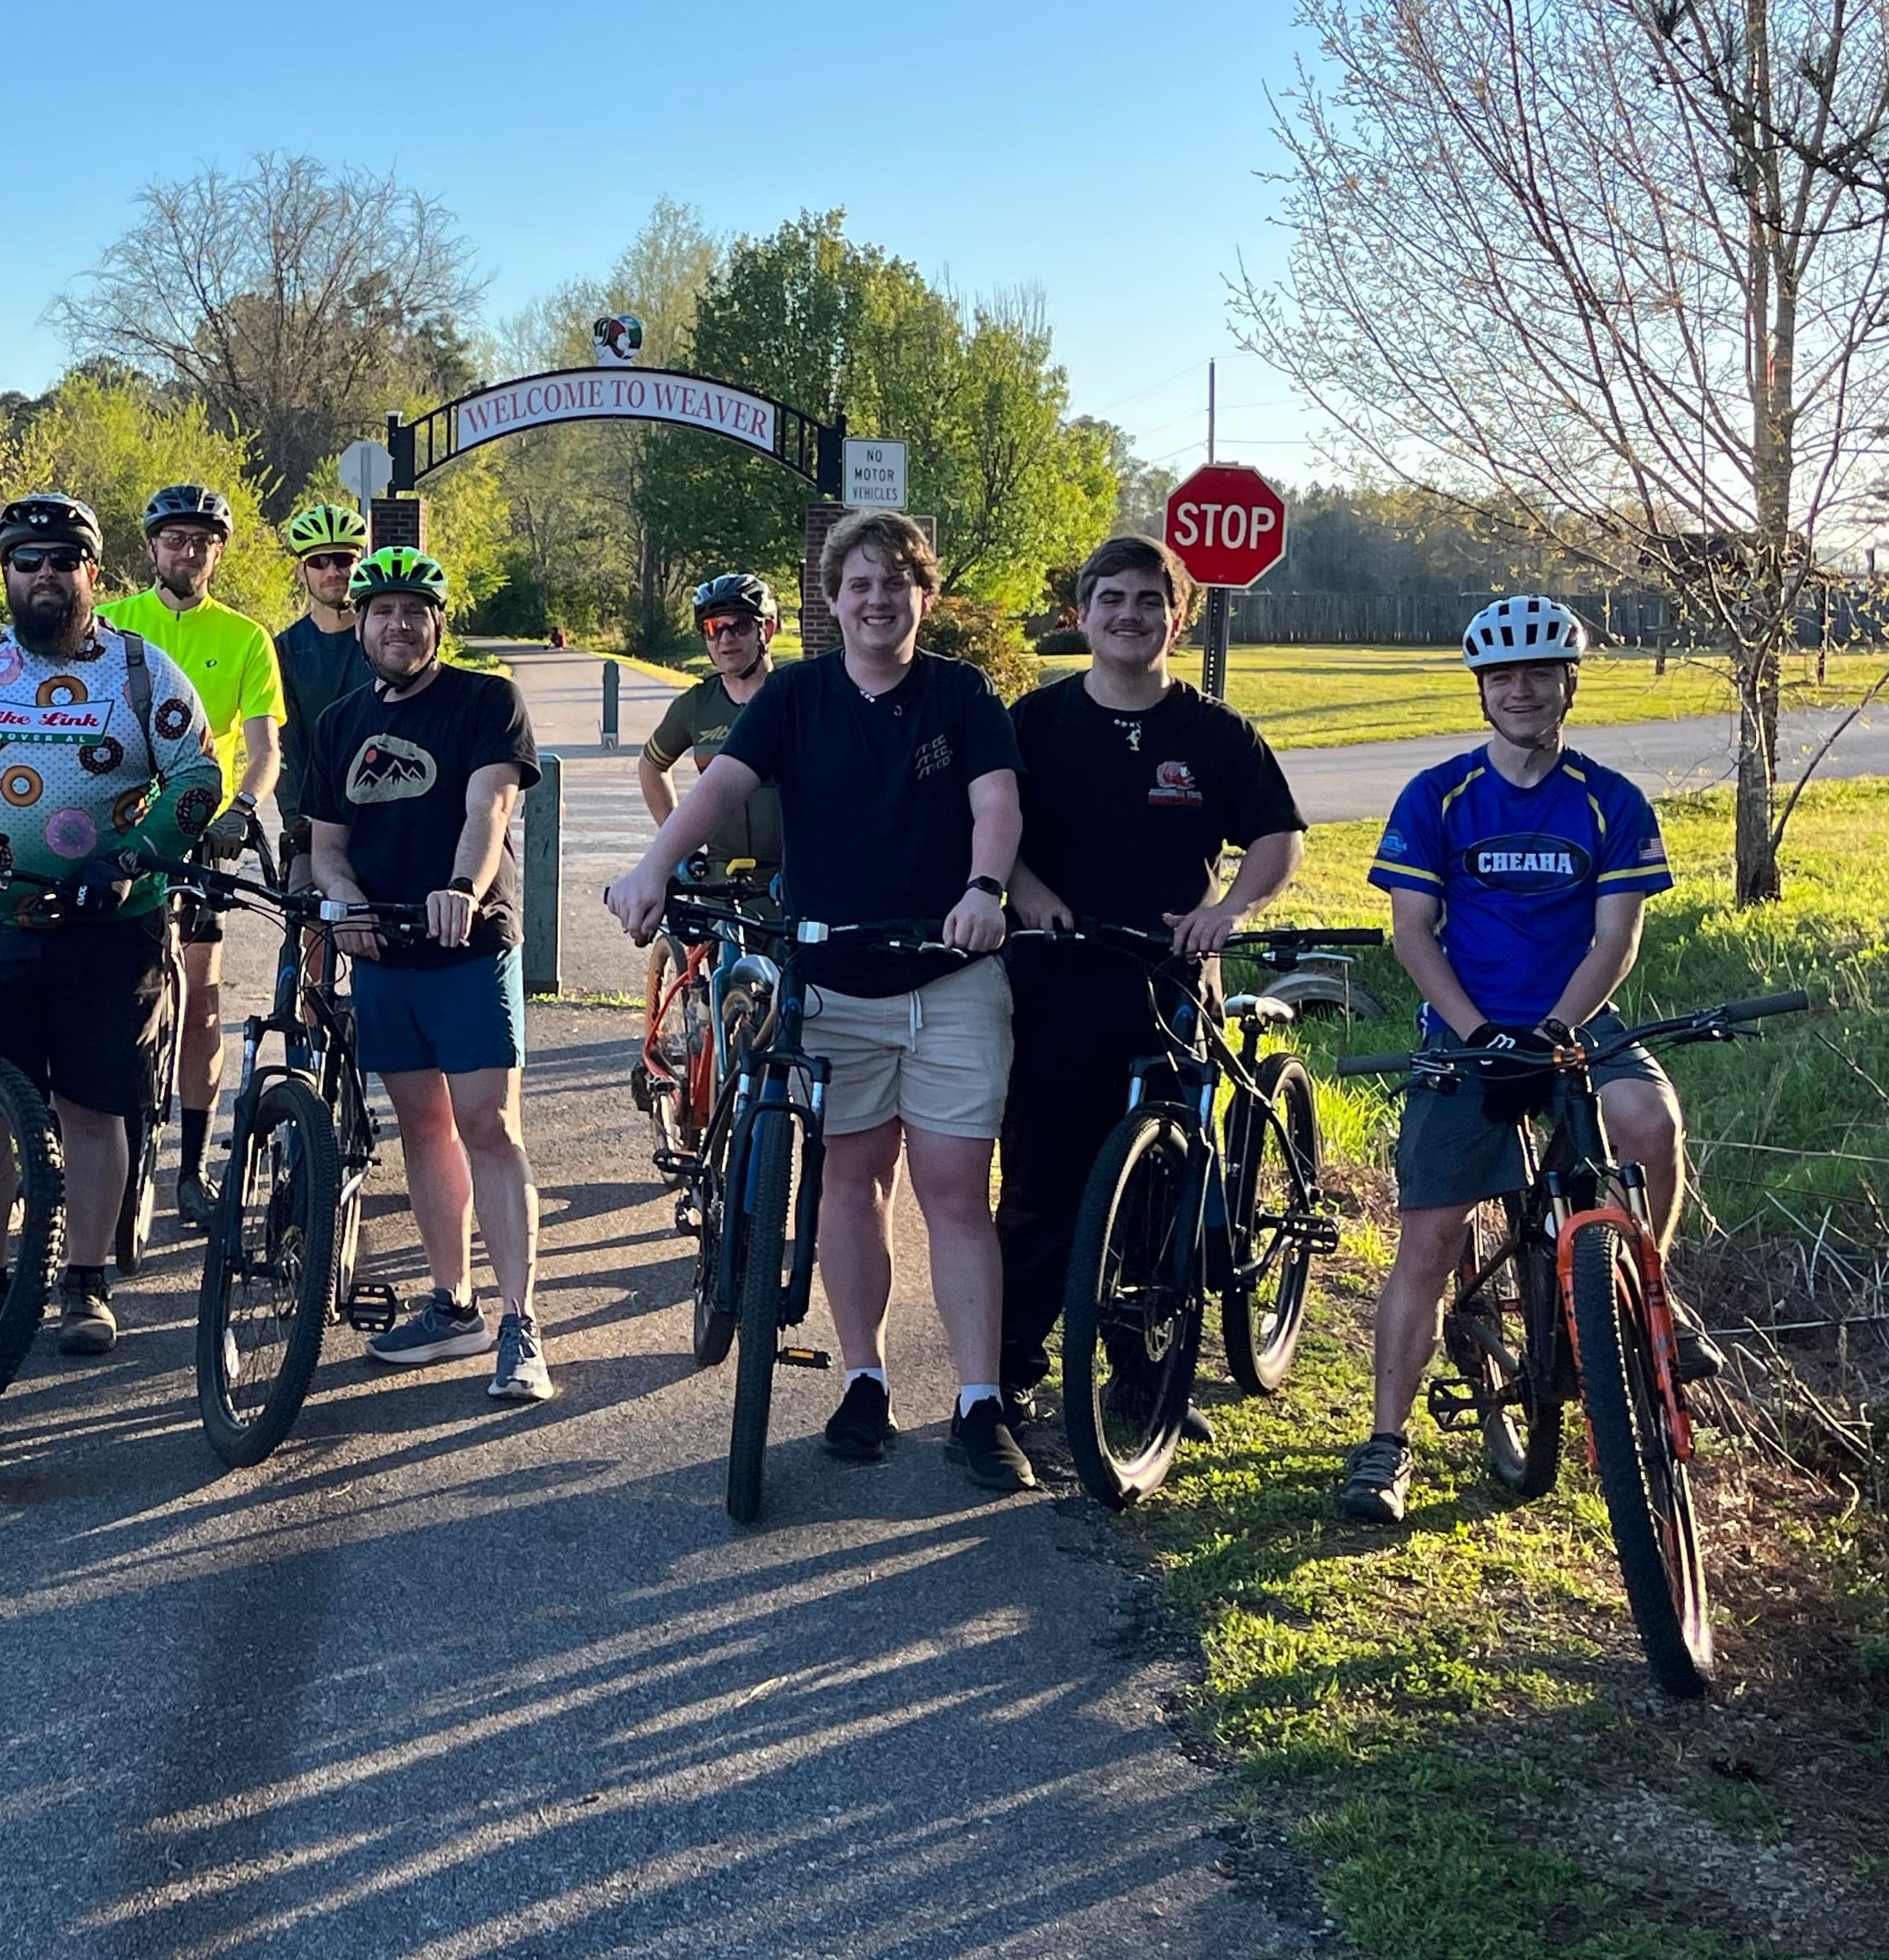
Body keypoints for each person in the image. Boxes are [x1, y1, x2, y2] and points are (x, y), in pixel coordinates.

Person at [604, 509, 1036, 1492]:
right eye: (859, 586)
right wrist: (651, 867)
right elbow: (716, 787)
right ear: (833, 603)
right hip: (833, 978)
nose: (877, 600)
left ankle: (977, 1401)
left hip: (948, 977)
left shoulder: (962, 694)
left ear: (922, 596)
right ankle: (865, 1377)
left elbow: (996, 802)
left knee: (956, 1194)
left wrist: (983, 892)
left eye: (895, 583)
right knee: (854, 1179)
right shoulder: (795, 695)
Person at [1339, 595, 1690, 1526]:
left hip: (1576, 1021)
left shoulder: (1608, 800)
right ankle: (1386, 1445)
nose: (1522, 691)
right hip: (1466, 1027)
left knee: (1650, 1121)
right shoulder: (1440, 796)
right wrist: (1480, 1032)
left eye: (1540, 673)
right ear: (1483, 691)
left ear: (1569, 683)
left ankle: (1659, 1299)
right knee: (1431, 1241)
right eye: (1504, 677)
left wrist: (1554, 1031)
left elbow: (1616, 938)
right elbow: (1412, 933)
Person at [0, 493, 221, 1358]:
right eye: (26, 561)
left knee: (93, 1105)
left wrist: (127, 863)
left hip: (113, 924)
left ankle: (85, 1283)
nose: (44, 575)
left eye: (62, 560)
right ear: (6, 573)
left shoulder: (142, 670)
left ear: (93, 572)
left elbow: (196, 777)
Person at [999, 535, 1303, 1429]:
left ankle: (1143, 1367)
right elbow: (990, 827)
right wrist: (1030, 893)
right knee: (1040, 1184)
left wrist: (1234, 910)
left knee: (1166, 1188)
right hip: (1055, 980)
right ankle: (1016, 1365)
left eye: (1148, 600)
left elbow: (1279, 837)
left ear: (1176, 616)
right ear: (1082, 614)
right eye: (1111, 599)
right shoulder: (1037, 722)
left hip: (1172, 984)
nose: (1129, 615)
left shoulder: (1216, 733)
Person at [304, 548, 557, 1401]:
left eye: (416, 612)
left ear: (437, 624)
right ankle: (455, 1307)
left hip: (467, 948)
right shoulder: (340, 723)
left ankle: (520, 1324)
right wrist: (343, 905)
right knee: (423, 1127)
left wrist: (460, 889)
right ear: (362, 623)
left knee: (489, 1124)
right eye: (382, 612)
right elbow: (327, 850)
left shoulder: (488, 701)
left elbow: (489, 804)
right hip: (384, 955)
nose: (398, 625)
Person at [98, 485, 282, 1224]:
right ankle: (105, 1145)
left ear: (219, 551)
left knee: (202, 1003)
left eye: (202, 541)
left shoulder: (244, 638)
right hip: (117, 838)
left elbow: (267, 747)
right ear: (150, 548)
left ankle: (192, 1168)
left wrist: (242, 809)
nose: (188, 552)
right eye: (175, 539)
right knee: (113, 999)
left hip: (205, 840)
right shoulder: (111, 624)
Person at [638, 570, 789, 1036]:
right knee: (724, 996)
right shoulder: (697, 705)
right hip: (722, 873)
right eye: (712, 629)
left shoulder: (796, 697)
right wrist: (678, 842)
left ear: (767, 629)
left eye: (739, 626)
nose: (725, 639)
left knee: (792, 998)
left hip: (789, 871)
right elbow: (651, 766)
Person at [273, 501, 379, 890]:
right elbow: (283, 742)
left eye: (343, 559)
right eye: (319, 562)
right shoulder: (284, 649)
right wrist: (295, 819)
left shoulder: (385, 642)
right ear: (301, 570)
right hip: (315, 819)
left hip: (387, 810)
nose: (333, 571)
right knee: (312, 930)